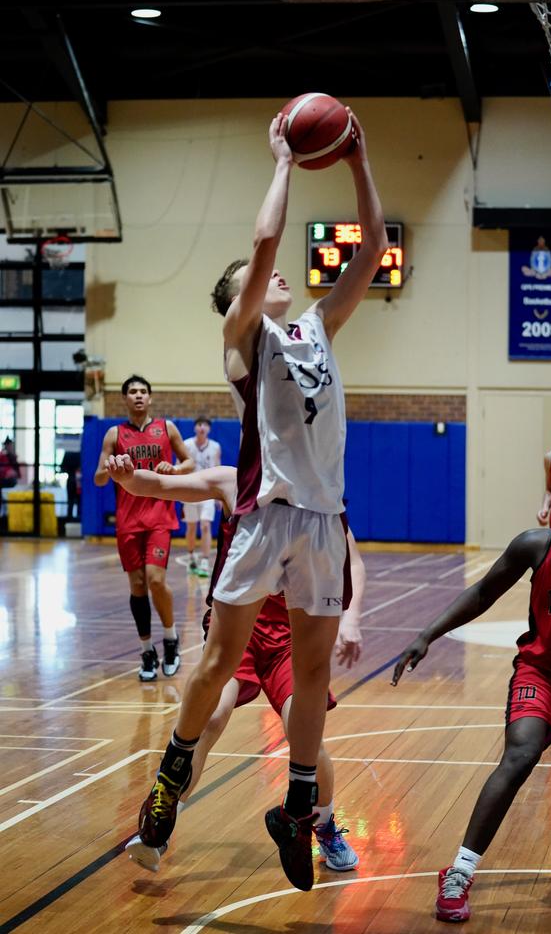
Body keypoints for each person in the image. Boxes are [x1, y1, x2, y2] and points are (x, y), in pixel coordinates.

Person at [134, 109, 387, 892]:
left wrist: (358, 158)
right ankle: (171, 781)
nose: (276, 277)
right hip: (264, 515)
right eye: (258, 280)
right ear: (238, 299)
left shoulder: (317, 326)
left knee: (311, 682)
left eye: (274, 278)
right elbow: (264, 246)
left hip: (320, 519)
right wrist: (282, 160)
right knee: (214, 666)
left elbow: (373, 248)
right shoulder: (245, 338)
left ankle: (299, 804)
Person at [393, 460, 551, 922]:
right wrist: (426, 634)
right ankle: (460, 871)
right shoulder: (537, 544)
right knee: (521, 752)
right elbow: (481, 593)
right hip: (540, 672)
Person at [103, 455, 363, 875]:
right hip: (238, 628)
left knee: (304, 729)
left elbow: (355, 559)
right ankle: (162, 819)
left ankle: (326, 822)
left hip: (289, 639)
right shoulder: (234, 482)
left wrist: (351, 617)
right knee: (211, 716)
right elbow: (162, 488)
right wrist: (128, 477)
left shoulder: (319, 496)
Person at [93, 374, 194, 681]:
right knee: (137, 585)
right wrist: (112, 470)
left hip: (160, 517)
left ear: (150, 398)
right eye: (132, 392)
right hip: (128, 521)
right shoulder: (114, 434)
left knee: (155, 579)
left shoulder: (167, 428)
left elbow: (189, 463)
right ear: (125, 398)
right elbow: (98, 476)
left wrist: (174, 469)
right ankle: (147, 650)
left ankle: (171, 639)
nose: (138, 396)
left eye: (143, 391)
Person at [182, 416, 222, 576]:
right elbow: (180, 467)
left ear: (209, 429)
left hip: (208, 491)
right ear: (194, 428)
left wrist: (219, 495)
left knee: (205, 525)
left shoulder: (215, 447)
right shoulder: (186, 445)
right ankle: (191, 556)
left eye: (205, 425)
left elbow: (218, 469)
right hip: (190, 490)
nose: (202, 427)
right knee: (191, 527)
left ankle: (205, 561)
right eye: (199, 424)